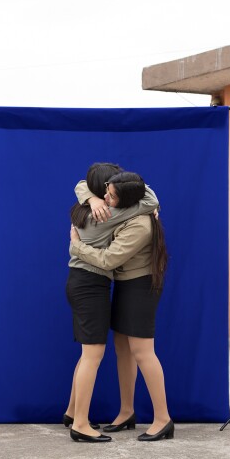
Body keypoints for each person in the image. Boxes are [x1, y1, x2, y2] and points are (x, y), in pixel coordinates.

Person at [69, 171, 173, 442]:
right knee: (122, 348)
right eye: (106, 192)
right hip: (126, 285)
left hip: (141, 287)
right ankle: (127, 411)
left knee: (142, 351)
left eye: (111, 196)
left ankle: (163, 419)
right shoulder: (125, 205)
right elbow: (83, 184)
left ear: (126, 199)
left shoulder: (140, 223)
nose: (106, 198)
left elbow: (108, 260)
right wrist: (92, 199)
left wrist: (77, 247)